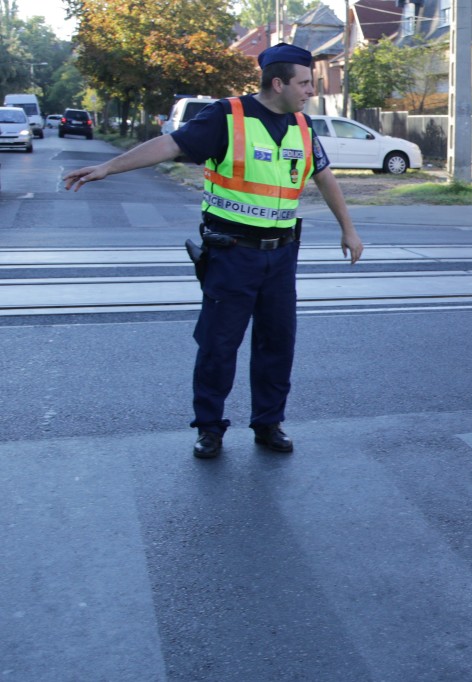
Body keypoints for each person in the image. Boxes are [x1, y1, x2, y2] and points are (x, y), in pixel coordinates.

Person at [63, 43, 364, 459]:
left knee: (277, 344)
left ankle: (269, 423)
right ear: (277, 83)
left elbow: (324, 176)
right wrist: (108, 167)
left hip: (281, 255)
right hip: (232, 254)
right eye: (305, 83)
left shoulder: (302, 124)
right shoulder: (227, 117)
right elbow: (169, 145)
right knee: (219, 345)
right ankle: (210, 428)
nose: (311, 90)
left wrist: (348, 229)